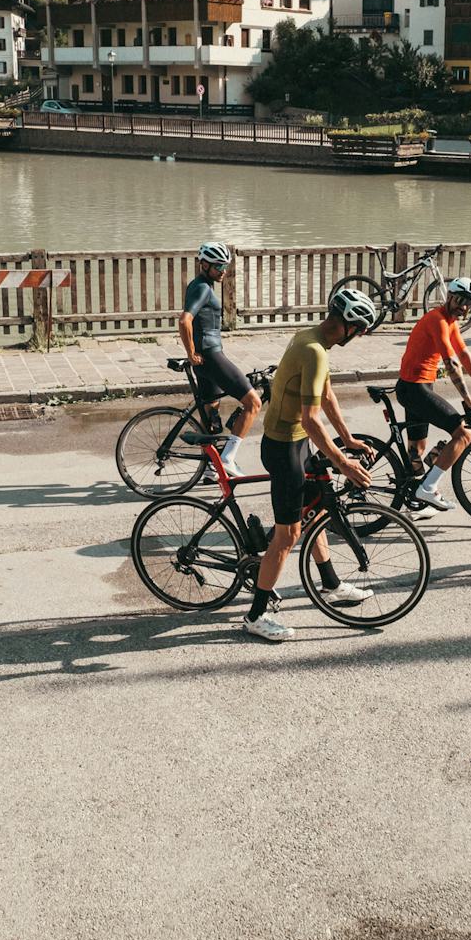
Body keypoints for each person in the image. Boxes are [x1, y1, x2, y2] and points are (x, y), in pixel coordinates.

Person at [247, 287, 381, 643]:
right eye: (361, 329)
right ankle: (256, 615)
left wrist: (348, 438)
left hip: (292, 442)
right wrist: (344, 463)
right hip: (283, 447)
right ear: (349, 325)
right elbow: (310, 418)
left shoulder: (311, 340)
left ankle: (331, 584)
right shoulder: (314, 351)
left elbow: (327, 394)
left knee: (318, 509)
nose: (361, 335)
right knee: (286, 536)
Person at [395, 276, 471, 513]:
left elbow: (464, 354)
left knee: (416, 451)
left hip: (418, 388)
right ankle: (428, 489)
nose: (464, 307)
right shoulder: (437, 321)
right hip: (414, 389)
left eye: (470, 303)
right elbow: (450, 362)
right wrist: (468, 398)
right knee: (463, 434)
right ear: (449, 296)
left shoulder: (450, 322)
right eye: (461, 300)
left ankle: (415, 505)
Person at [177, 242, 261, 475]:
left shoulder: (199, 285)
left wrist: (195, 354)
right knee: (253, 403)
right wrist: (191, 352)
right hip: (211, 356)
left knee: (211, 418)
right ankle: (227, 459)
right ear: (203, 264)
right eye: (217, 266)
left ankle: (210, 469)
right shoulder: (203, 288)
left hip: (206, 360)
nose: (223, 270)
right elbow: (184, 320)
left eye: (225, 265)